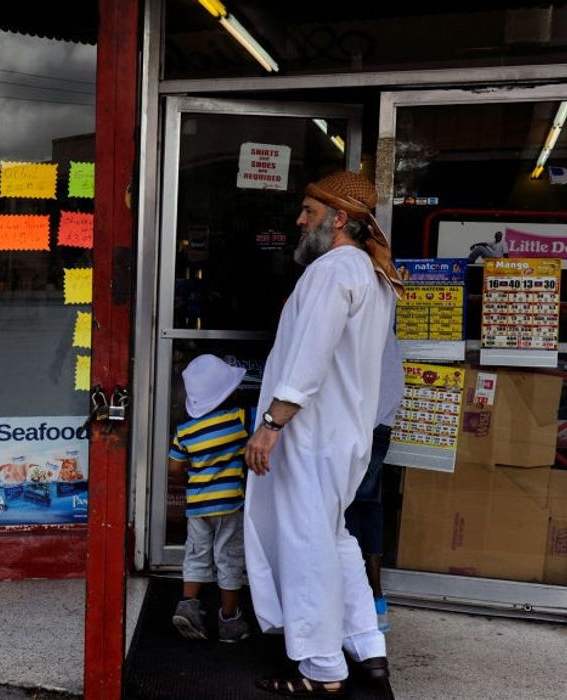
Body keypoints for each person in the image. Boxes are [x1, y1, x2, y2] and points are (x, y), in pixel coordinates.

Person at [243, 171, 403, 696]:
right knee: (334, 538)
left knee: (307, 543)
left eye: (309, 212)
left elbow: (309, 355)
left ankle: (321, 668)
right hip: (342, 434)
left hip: (310, 436)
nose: (299, 221)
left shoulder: (334, 271)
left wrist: (270, 425)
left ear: (339, 219)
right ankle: (366, 645)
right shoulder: (369, 273)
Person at [168, 354, 252, 643]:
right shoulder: (240, 420)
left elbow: (175, 469)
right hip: (230, 503)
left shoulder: (185, 431)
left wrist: (194, 471)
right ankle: (229, 621)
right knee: (228, 556)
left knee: (197, 553)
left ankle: (188, 607)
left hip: (197, 505)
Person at [343, 326, 403, 634]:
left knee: (348, 508)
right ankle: (376, 602)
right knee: (369, 505)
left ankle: (360, 602)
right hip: (380, 423)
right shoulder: (384, 321)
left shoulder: (360, 323)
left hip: (360, 423)